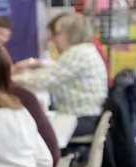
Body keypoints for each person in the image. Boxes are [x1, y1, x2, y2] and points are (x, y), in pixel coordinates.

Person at [14, 12, 108, 150]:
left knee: (30, 131)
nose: (52, 40)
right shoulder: (84, 50)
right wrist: (36, 64)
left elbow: (47, 79)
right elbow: (59, 69)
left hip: (80, 118)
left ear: (68, 33)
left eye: (56, 34)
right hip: (86, 115)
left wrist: (9, 78)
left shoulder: (77, 54)